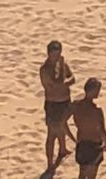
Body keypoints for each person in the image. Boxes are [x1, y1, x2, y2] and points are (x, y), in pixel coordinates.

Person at [40, 42, 74, 178]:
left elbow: (72, 77)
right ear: (49, 54)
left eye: (59, 53)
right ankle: (49, 163)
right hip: (53, 104)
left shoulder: (62, 64)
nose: (58, 57)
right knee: (52, 133)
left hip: (65, 101)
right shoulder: (45, 69)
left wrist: (66, 79)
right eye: (55, 54)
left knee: (63, 126)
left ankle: (63, 149)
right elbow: (55, 85)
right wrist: (62, 75)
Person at [63, 79, 106, 178]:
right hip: (95, 145)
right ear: (93, 91)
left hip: (82, 143)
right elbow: (102, 130)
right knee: (92, 175)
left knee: (82, 174)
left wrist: (72, 138)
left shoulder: (76, 105)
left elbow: (63, 122)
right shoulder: (97, 110)